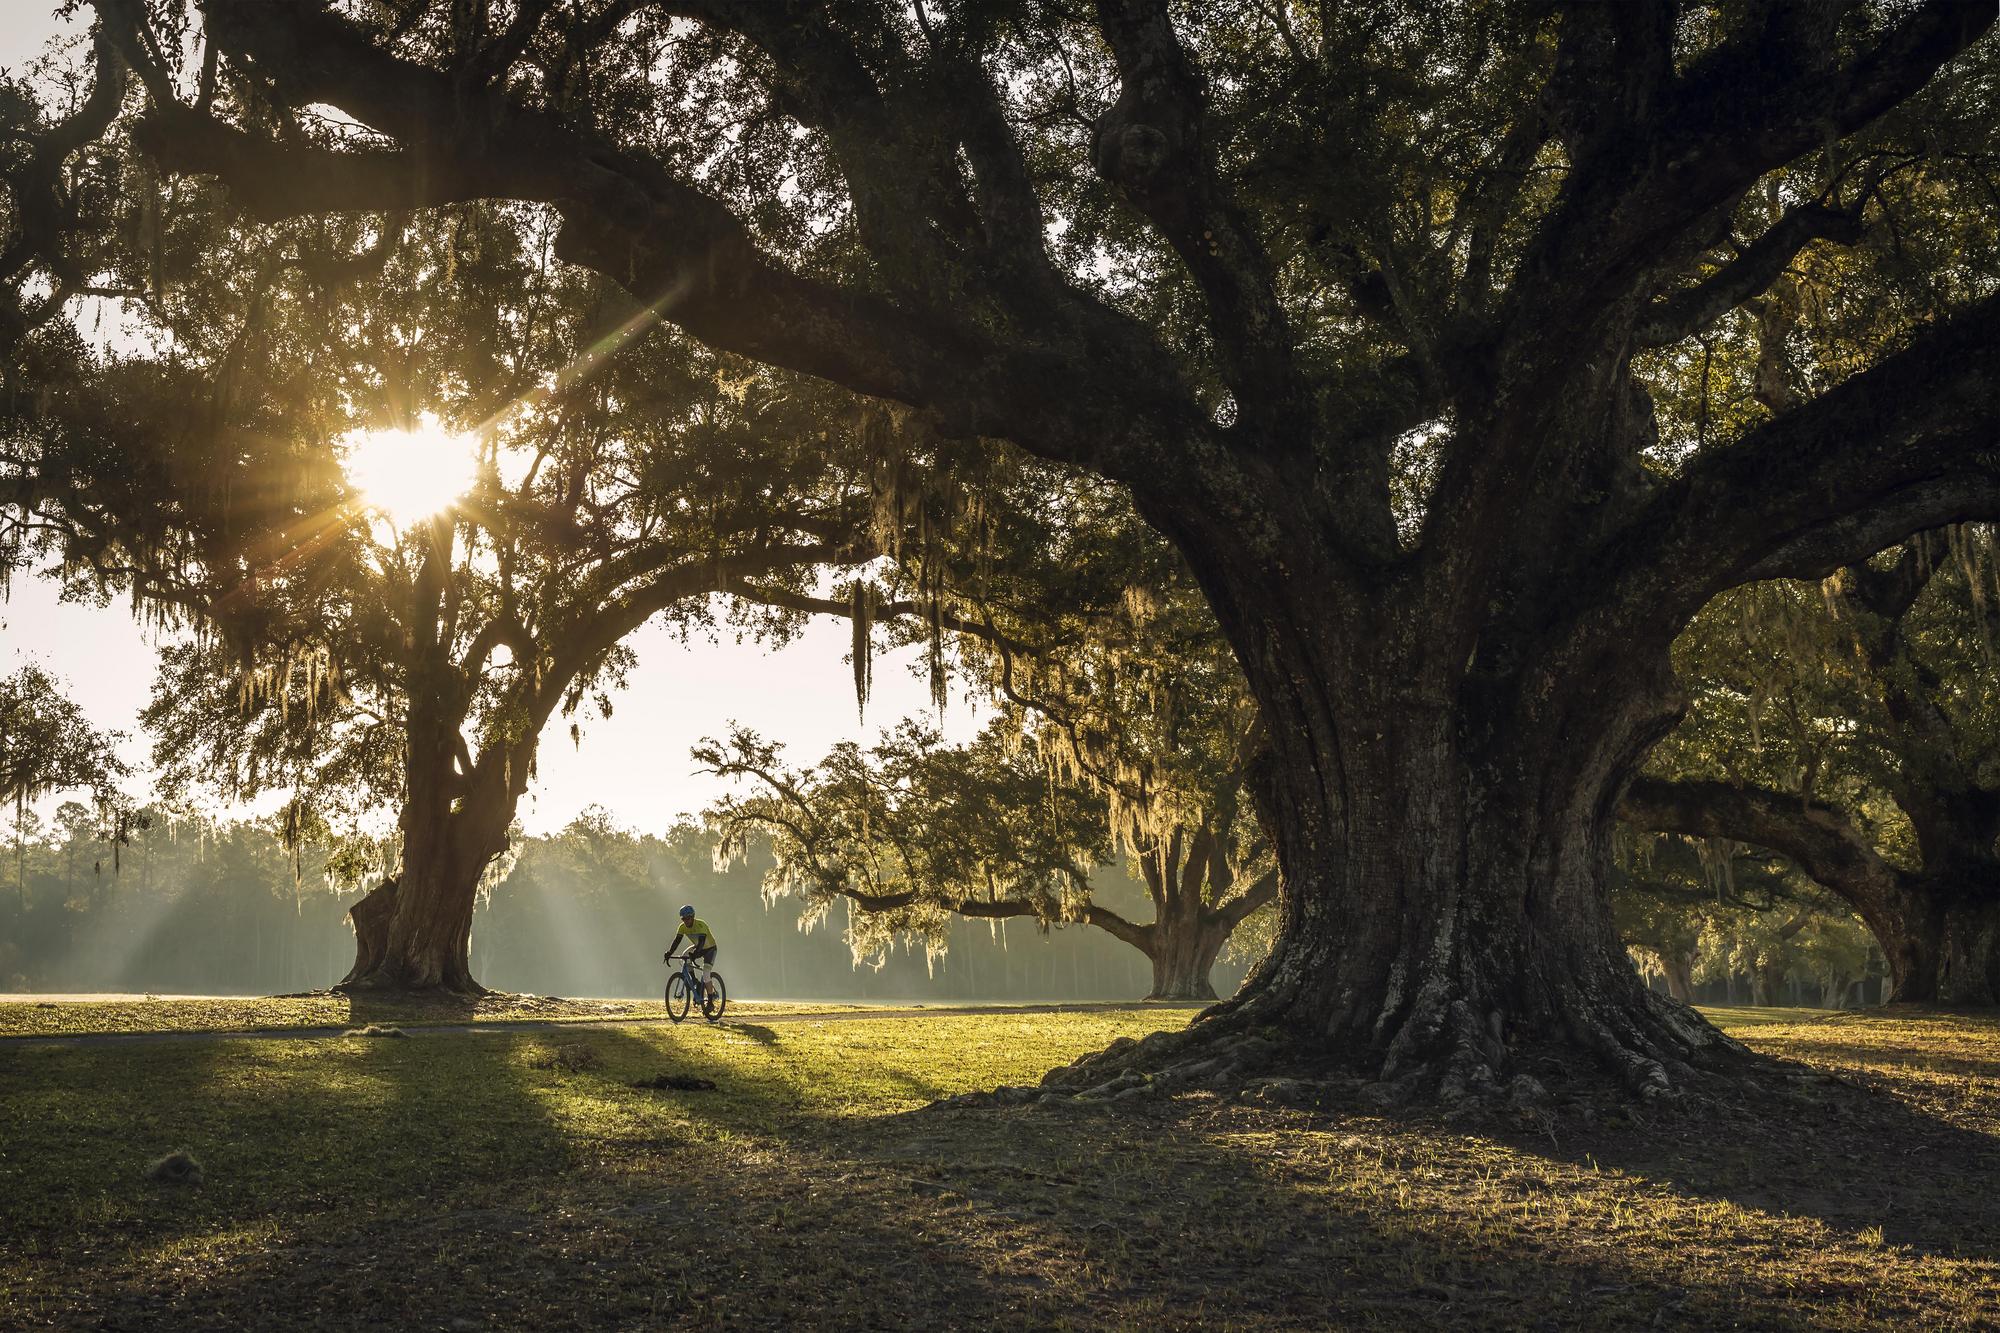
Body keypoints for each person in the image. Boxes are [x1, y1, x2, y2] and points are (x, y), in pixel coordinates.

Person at [665, 904, 719, 1005]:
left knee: (706, 974)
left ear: (693, 917)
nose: (686, 921)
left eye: (688, 918)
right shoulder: (682, 927)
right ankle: (694, 981)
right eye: (683, 919)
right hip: (698, 947)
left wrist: (695, 954)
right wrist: (669, 952)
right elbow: (677, 941)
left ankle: (710, 1002)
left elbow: (702, 942)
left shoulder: (700, 924)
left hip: (710, 949)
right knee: (684, 956)